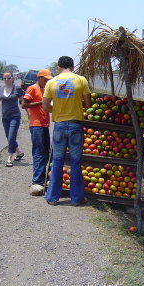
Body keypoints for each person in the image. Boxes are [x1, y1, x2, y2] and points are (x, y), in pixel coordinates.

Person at [42, 56, 92, 206]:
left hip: (59, 125)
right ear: (73, 66)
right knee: (75, 162)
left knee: (57, 161)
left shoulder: (51, 82)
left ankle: (52, 198)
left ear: (58, 67)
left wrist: (57, 110)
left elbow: (45, 107)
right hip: (76, 125)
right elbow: (88, 104)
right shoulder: (81, 80)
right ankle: (76, 199)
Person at [22, 69, 52, 196]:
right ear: (39, 78)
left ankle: (42, 179)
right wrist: (41, 103)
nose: (46, 81)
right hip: (36, 124)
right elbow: (24, 104)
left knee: (45, 153)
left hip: (44, 124)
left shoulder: (45, 89)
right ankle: (37, 181)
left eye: (48, 80)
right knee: (39, 153)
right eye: (45, 79)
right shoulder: (32, 88)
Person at [0, 72, 24, 167]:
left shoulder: (17, 89)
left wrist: (30, 113)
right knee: (9, 137)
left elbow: (23, 102)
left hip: (15, 116)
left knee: (11, 136)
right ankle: (19, 152)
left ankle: (10, 158)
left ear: (12, 78)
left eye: (8, 78)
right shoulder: (0, 89)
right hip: (5, 117)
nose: (7, 80)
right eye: (4, 78)